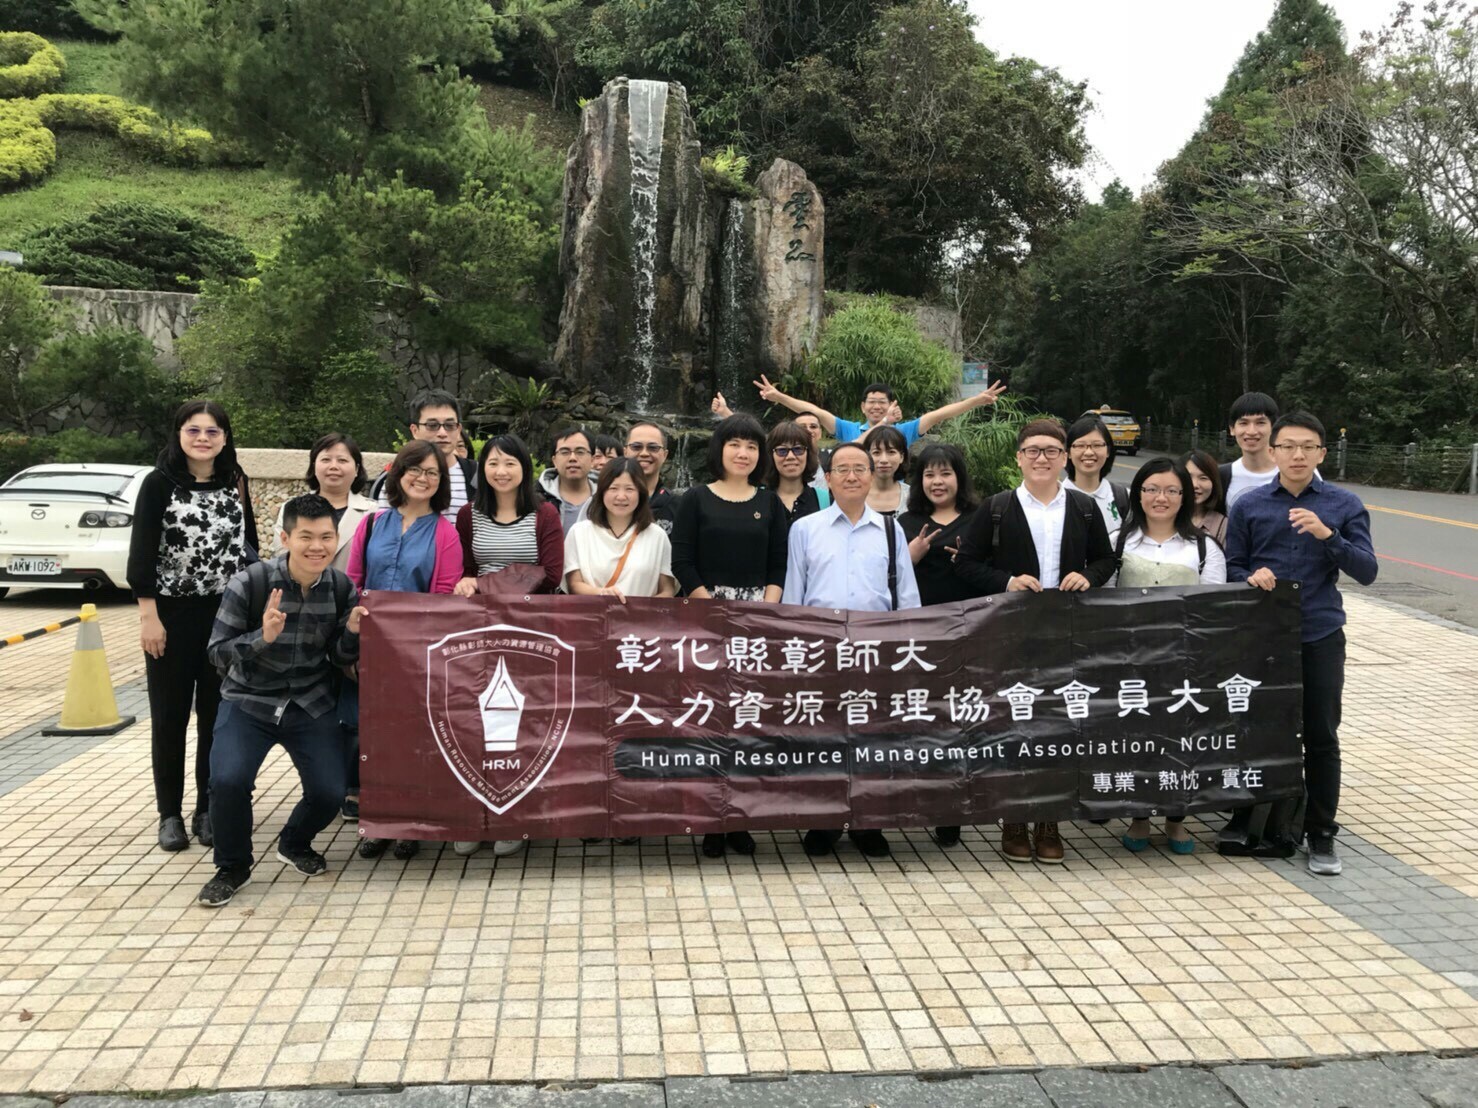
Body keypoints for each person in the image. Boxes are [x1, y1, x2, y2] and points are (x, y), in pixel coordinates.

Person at [953, 419, 1116, 865]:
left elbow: (1106, 559)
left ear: (1064, 458)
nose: (1041, 458)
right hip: (1011, 635)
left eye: (1051, 451)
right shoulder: (997, 507)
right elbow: (966, 563)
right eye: (1032, 450)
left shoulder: (1084, 507)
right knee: (1013, 725)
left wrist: (1089, 576)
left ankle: (1049, 820)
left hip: (1067, 634)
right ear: (1019, 458)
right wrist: (1006, 581)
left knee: (1058, 726)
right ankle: (1014, 819)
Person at [1225, 412, 1376, 877]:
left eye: (1308, 447)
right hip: (1263, 636)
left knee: (1321, 736)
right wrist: (1250, 576)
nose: (1297, 455)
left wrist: (1328, 535)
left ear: (1322, 454)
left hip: (1319, 633)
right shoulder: (1249, 505)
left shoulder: (1343, 504)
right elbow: (1231, 567)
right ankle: (1248, 818)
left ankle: (1321, 832)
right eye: (1288, 446)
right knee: (1256, 729)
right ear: (1272, 452)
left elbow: (1367, 571)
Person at [198, 494, 368, 907]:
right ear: (285, 538)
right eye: (306, 537)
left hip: (310, 701)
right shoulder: (250, 583)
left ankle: (294, 841)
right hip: (249, 700)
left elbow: (339, 658)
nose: (317, 547)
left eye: (326, 537)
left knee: (330, 791)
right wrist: (263, 637)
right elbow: (216, 653)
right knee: (228, 780)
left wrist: (351, 632)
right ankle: (232, 866)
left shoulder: (341, 587)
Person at [127, 399, 259, 853]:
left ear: (225, 438)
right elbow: (142, 554)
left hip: (224, 617)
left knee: (216, 717)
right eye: (193, 430)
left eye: (212, 431)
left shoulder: (235, 480)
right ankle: (170, 814)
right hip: (170, 616)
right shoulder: (158, 483)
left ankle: (207, 808)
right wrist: (149, 616)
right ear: (178, 434)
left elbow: (247, 548)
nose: (203, 438)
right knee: (170, 717)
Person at [783, 442, 921, 859]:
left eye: (860, 468)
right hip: (821, 649)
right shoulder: (805, 529)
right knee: (823, 737)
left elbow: (906, 595)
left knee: (873, 737)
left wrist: (907, 647)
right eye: (841, 469)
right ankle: (824, 821)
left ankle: (868, 822)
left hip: (876, 651)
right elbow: (794, 593)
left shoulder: (891, 530)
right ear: (827, 479)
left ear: (872, 476)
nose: (851, 476)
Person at [671, 413, 788, 859]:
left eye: (752, 446)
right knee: (708, 721)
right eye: (735, 443)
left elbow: (778, 563)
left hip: (755, 624)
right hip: (704, 620)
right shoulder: (696, 498)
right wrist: (712, 610)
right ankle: (710, 820)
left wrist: (764, 611)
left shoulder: (769, 502)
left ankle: (740, 817)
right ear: (719, 448)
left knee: (747, 720)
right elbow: (682, 561)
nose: (743, 453)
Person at [345, 442, 462, 860]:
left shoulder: (446, 533)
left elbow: (444, 595)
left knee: (416, 738)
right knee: (376, 738)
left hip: (418, 653)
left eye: (432, 472)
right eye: (415, 469)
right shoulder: (372, 525)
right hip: (373, 649)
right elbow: (354, 581)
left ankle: (412, 822)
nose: (422, 478)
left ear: (441, 481)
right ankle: (380, 822)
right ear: (398, 473)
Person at [1108, 458, 1227, 857]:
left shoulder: (1204, 547)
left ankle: (1177, 818)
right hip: (1130, 662)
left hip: (1184, 664)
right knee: (1136, 741)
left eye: (1172, 490)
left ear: (1184, 496)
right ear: (1138, 494)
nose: (1161, 498)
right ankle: (1139, 816)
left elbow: (1213, 609)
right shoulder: (1117, 542)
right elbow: (1102, 601)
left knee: (1182, 741)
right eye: (1152, 489)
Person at [452, 433, 563, 859]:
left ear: (525, 468)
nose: (501, 471)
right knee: (472, 721)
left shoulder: (544, 514)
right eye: (493, 463)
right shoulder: (468, 515)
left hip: (528, 631)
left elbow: (552, 573)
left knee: (523, 723)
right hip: (477, 631)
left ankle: (514, 817)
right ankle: (472, 815)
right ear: (482, 469)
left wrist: (488, 585)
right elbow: (464, 569)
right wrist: (473, 584)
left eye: (510, 463)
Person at [754, 375, 1008, 448]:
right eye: (871, 402)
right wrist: (778, 397)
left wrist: (975, 401)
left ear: (891, 405)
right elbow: (813, 411)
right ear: (863, 406)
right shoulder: (848, 429)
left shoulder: (905, 431)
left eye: (882, 402)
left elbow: (940, 414)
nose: (876, 406)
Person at [565, 459, 677, 600]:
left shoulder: (657, 535)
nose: (621, 496)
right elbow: (574, 584)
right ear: (602, 491)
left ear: (641, 493)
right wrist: (601, 593)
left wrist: (642, 609)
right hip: (593, 613)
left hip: (642, 614)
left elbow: (667, 590)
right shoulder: (579, 532)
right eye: (613, 488)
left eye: (629, 489)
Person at [272, 433, 376, 573]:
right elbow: (282, 553)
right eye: (326, 459)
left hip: (351, 586)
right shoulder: (291, 508)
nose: (334, 466)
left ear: (356, 469)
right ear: (314, 466)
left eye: (342, 460)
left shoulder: (374, 513)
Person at [371, 389, 477, 518]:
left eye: (449, 425)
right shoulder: (397, 475)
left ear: (459, 429)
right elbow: (384, 525)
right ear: (415, 430)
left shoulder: (477, 474)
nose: (442, 433)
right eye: (432, 425)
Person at [899, 443, 978, 607]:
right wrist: (909, 558)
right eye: (929, 475)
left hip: (972, 614)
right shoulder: (905, 522)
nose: (937, 482)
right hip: (921, 615)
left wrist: (970, 563)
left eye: (946, 474)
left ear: (959, 477)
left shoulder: (979, 518)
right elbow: (888, 577)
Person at [712, 392, 829, 489]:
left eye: (813, 426)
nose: (808, 430)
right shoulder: (766, 498)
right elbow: (752, 435)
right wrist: (725, 412)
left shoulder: (830, 457)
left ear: (820, 432)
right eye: (802, 427)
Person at [1062, 415, 1129, 531]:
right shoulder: (1055, 499)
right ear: (1068, 453)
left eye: (1097, 445)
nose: (1088, 452)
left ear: (1108, 451)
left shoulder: (1124, 498)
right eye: (1080, 445)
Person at [1221, 392, 1280, 511]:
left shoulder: (1298, 472)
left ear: (1274, 428)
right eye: (1243, 423)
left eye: (1260, 423)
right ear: (1232, 429)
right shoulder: (1222, 477)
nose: (1251, 431)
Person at [765, 421, 828, 524]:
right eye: (782, 450)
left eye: (798, 449)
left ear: (808, 454)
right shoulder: (757, 499)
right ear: (771, 455)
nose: (790, 456)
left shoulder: (825, 501)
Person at [540, 426, 598, 535]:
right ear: (554, 461)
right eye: (565, 452)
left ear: (592, 460)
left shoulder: (606, 498)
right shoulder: (538, 498)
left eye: (580, 452)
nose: (572, 458)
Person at [623, 423, 678, 531]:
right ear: (625, 452)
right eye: (636, 447)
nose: (644, 453)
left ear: (665, 455)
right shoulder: (608, 500)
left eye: (653, 448)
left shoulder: (678, 506)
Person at [1183, 448, 1229, 546]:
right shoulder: (1166, 515)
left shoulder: (1223, 525)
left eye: (1203, 478)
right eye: (1188, 477)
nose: (1195, 485)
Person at [862, 425, 910, 517]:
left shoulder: (912, 497)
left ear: (901, 457)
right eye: (876, 452)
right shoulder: (854, 495)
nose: (884, 460)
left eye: (891, 452)